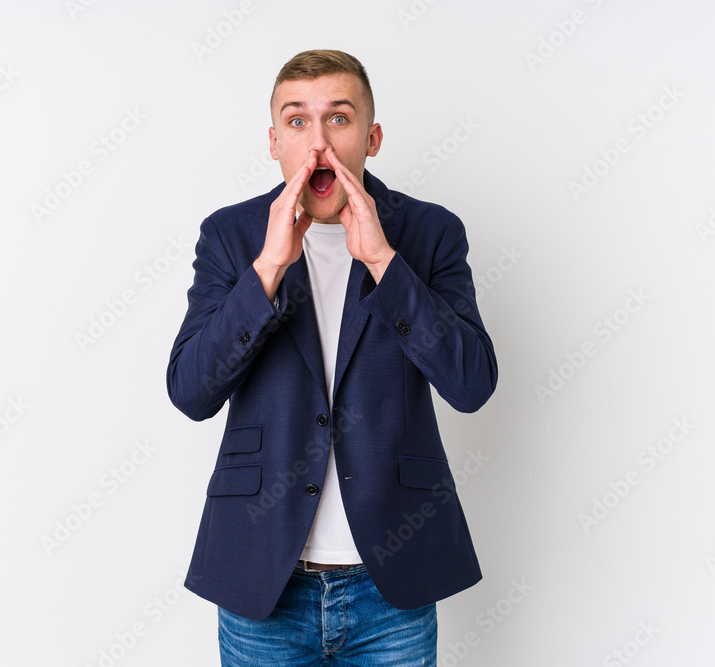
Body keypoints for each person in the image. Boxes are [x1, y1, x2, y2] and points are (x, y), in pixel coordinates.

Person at [166, 49, 497, 666]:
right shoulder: (231, 237)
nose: (318, 143)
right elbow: (191, 392)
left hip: (391, 583)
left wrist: (384, 263)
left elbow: (472, 384)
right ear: (274, 142)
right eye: (297, 121)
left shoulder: (429, 233)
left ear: (372, 138)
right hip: (262, 577)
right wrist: (267, 270)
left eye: (338, 119)